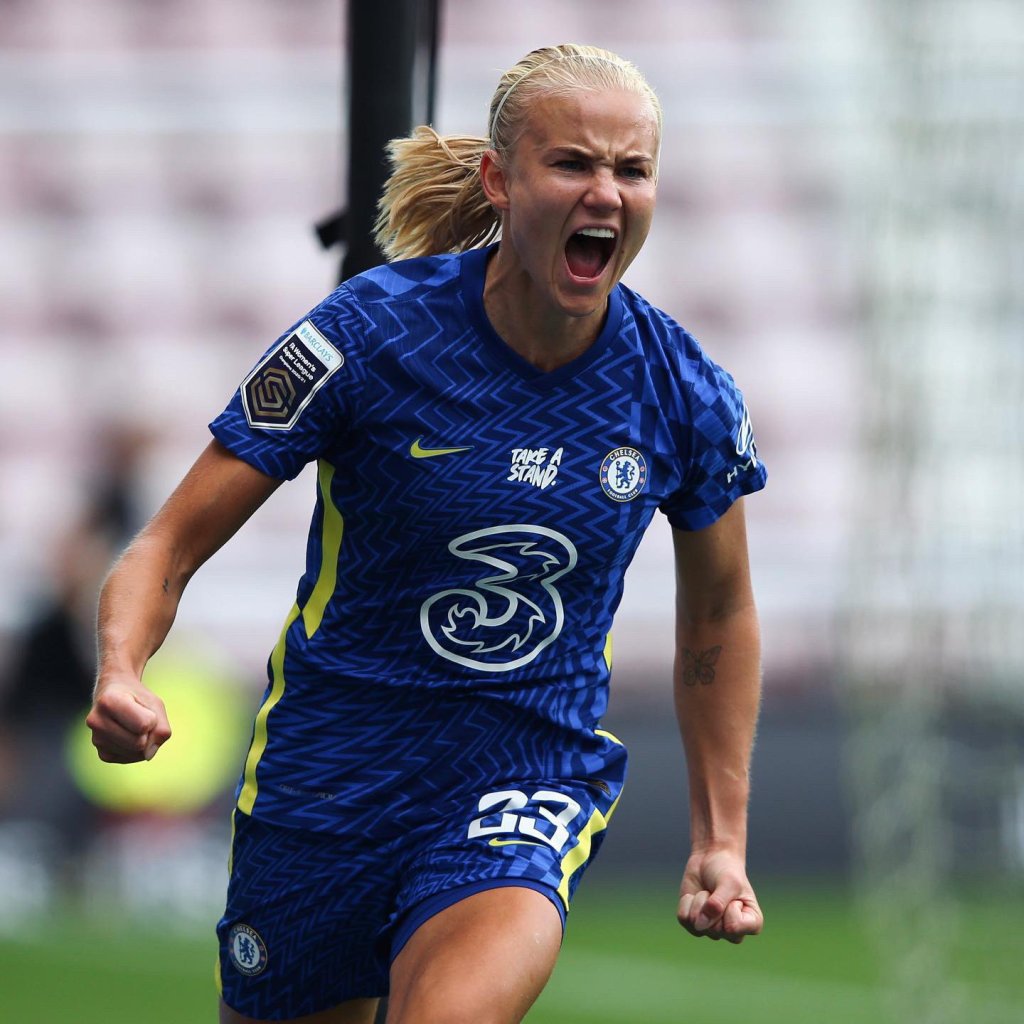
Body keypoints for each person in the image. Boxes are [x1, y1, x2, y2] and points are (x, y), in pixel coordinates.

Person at [86, 42, 767, 1024]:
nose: (606, 193)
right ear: (498, 180)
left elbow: (719, 612)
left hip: (521, 779)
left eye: (633, 169)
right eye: (572, 163)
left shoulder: (680, 388)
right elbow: (167, 545)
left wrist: (721, 839)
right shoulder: (368, 336)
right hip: (327, 781)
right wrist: (120, 667)